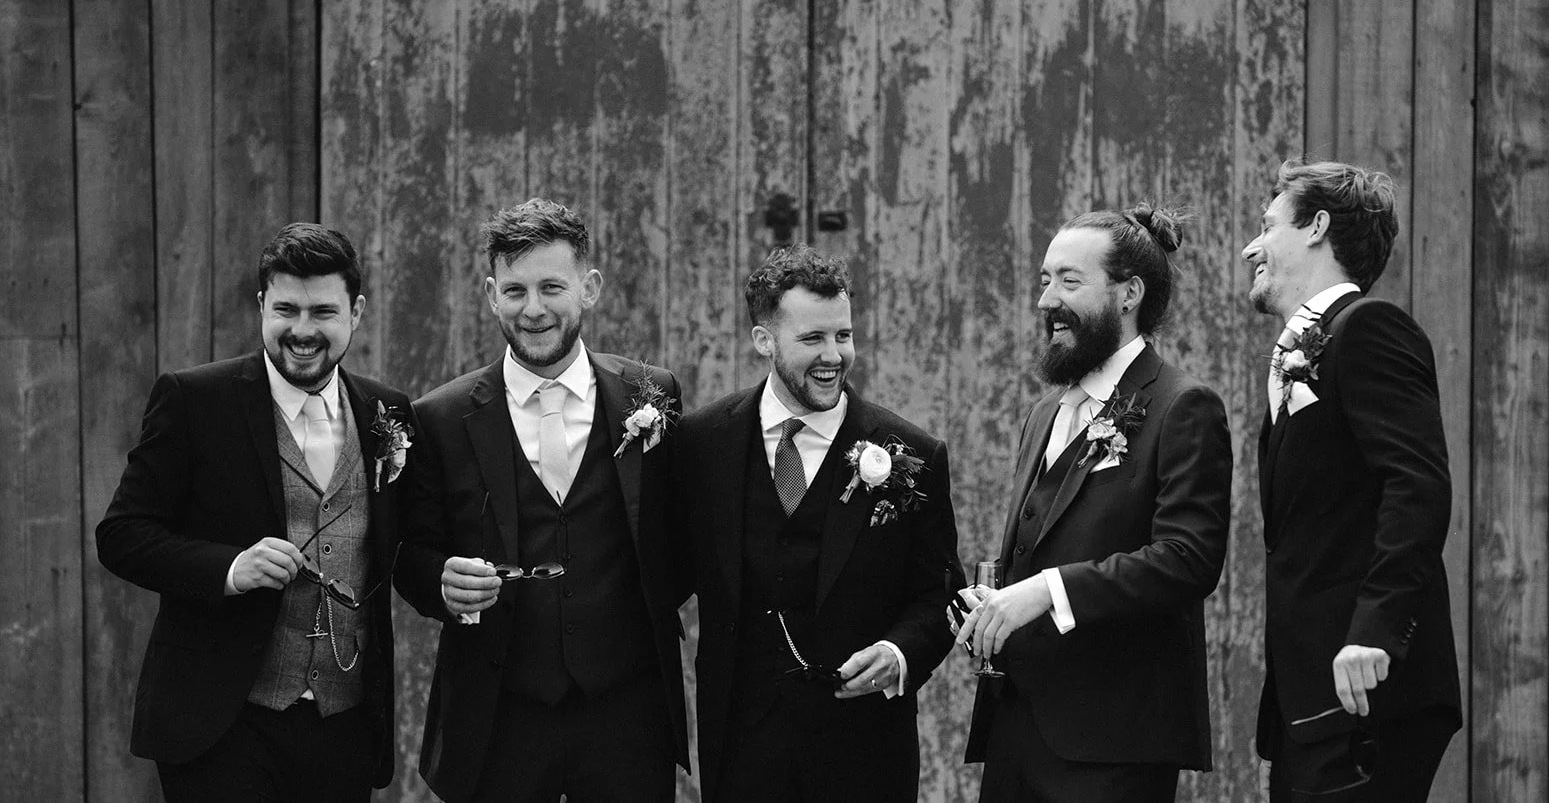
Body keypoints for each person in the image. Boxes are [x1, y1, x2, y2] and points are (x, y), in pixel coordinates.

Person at [97, 223, 416, 801]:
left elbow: (404, 547)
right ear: (262, 306)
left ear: (356, 312)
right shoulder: (194, 400)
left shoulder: (388, 412)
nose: (302, 330)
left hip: (344, 724)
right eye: (286, 309)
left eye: (323, 311)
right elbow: (121, 535)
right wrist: (229, 569)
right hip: (222, 721)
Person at [391, 198, 688, 802]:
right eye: (514, 290)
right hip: (498, 714)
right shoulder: (440, 417)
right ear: (490, 294)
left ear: (589, 288)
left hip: (626, 715)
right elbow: (407, 553)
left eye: (552, 286)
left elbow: (680, 533)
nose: (533, 310)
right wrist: (438, 581)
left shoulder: (651, 395)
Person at [957, 205, 1233, 802]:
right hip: (1015, 731)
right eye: (1044, 280)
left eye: (1069, 281)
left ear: (1129, 293)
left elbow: (1188, 559)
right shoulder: (1045, 414)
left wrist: (1045, 592)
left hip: (1112, 744)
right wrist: (996, 599)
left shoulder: (1182, 406)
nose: (1045, 301)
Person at [676, 245, 960, 803]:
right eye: (813, 340)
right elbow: (665, 572)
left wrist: (900, 653)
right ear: (765, 341)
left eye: (843, 336)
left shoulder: (912, 452)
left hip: (864, 750)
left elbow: (940, 593)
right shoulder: (703, 442)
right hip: (741, 746)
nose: (834, 355)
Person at [1243, 161, 1460, 801]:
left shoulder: (1368, 328)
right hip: (1312, 704)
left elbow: (1417, 486)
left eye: (1268, 225)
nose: (1252, 247)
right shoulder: (1301, 354)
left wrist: (1375, 631)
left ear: (1316, 227)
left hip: (1367, 685)